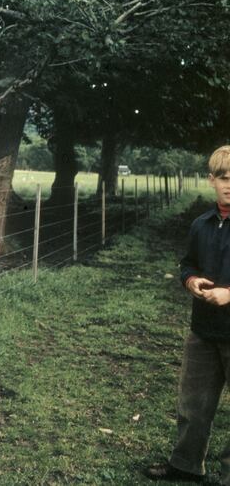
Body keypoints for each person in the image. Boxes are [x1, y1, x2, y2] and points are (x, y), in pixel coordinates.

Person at [145, 146, 230, 484]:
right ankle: (185, 464)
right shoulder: (201, 224)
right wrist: (191, 280)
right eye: (223, 177)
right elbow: (187, 263)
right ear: (211, 180)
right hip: (203, 331)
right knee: (193, 404)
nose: (229, 185)